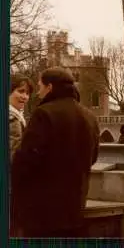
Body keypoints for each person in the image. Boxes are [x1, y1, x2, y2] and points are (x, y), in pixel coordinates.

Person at [11, 67, 100, 237]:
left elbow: (25, 160)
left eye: (40, 87)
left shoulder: (43, 114)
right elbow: (93, 157)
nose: (38, 93)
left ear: (50, 87)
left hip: (42, 211)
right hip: (75, 207)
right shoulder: (90, 117)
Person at [9, 74, 34, 164]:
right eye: (21, 91)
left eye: (27, 93)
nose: (24, 97)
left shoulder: (18, 116)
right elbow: (13, 157)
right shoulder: (12, 119)